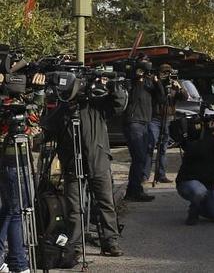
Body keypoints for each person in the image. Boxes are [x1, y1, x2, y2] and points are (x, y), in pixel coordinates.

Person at [53, 75, 128, 258]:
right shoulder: (63, 107)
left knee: (105, 202)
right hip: (72, 163)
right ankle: (75, 245)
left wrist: (112, 84)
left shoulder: (96, 104)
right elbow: (49, 126)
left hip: (98, 159)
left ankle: (110, 242)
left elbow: (119, 104)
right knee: (74, 207)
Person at [0, 71, 44, 273]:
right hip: (9, 159)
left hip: (20, 156)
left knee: (14, 210)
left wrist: (38, 92)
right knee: (14, 211)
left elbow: (34, 124)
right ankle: (18, 262)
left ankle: (16, 260)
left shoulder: (19, 98)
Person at [176, 120, 214, 225]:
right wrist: (211, 135)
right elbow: (200, 151)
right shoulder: (195, 138)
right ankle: (193, 211)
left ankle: (200, 207)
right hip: (188, 183)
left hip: (208, 187)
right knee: (199, 191)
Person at [123, 56, 164, 202]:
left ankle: (134, 190)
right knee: (139, 157)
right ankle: (133, 191)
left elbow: (161, 98)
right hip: (134, 122)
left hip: (145, 122)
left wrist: (157, 81)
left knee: (145, 155)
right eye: (145, 63)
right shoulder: (133, 80)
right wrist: (141, 70)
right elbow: (134, 83)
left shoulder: (148, 83)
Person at [144, 63, 188, 184]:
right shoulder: (154, 83)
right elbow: (158, 97)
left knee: (163, 148)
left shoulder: (174, 84)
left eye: (168, 73)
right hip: (155, 118)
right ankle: (145, 175)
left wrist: (179, 88)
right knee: (150, 145)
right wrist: (158, 83)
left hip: (168, 118)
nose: (166, 75)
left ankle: (161, 175)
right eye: (163, 73)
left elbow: (185, 97)